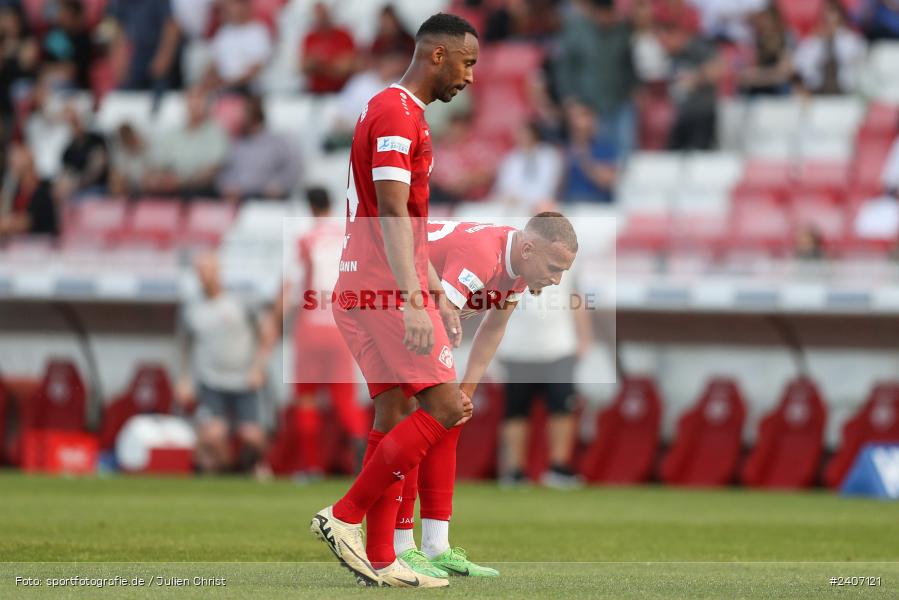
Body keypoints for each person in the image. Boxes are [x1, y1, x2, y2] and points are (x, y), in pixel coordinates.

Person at [309, 13, 479, 589]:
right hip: (382, 285)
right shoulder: (395, 113)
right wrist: (412, 299)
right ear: (438, 55)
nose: (471, 77)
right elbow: (388, 208)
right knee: (447, 406)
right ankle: (345, 516)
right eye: (468, 62)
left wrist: (432, 289)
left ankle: (381, 557)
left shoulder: (398, 112)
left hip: (375, 280)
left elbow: (407, 216)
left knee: (396, 414)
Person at [377, 213, 578, 578]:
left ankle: (436, 546)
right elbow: (439, 315)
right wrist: (447, 394)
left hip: (417, 311)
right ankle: (400, 544)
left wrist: (467, 389)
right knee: (415, 421)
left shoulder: (518, 265)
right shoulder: (483, 256)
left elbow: (493, 327)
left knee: (448, 418)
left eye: (563, 271)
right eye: (553, 267)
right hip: (390, 305)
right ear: (529, 248)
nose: (557, 279)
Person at [271, 187, 367, 479]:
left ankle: (312, 467)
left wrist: (273, 323)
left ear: (310, 207)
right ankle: (363, 449)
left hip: (311, 328)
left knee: (307, 398)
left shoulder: (304, 240)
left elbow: (290, 288)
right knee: (344, 399)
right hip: (340, 329)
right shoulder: (346, 238)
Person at [176, 252, 276, 478]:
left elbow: (268, 332)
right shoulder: (190, 307)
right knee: (212, 436)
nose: (204, 276)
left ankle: (252, 467)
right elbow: (183, 345)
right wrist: (183, 377)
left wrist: (258, 367)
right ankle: (232, 472)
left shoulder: (240, 302)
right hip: (211, 381)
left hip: (244, 382)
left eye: (209, 270)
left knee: (253, 437)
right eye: (200, 272)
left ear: (219, 271)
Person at [496, 259, 593, 489]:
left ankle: (558, 468)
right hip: (518, 348)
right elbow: (496, 303)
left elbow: (576, 298)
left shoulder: (569, 260)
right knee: (515, 411)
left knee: (563, 408)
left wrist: (584, 337)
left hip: (558, 347)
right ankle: (514, 472)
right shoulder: (512, 260)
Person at [555, 0, 637, 158]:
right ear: (595, 13)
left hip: (620, 101)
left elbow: (629, 65)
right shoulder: (576, 31)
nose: (606, 19)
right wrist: (569, 96)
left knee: (625, 150)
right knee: (599, 152)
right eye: (602, 14)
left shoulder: (622, 31)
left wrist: (634, 87)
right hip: (590, 104)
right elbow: (565, 67)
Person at [658, 9, 723, 150]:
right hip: (681, 115)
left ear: (676, 35)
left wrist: (694, 79)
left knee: (699, 157)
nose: (663, 44)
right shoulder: (672, 56)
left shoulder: (696, 47)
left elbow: (719, 67)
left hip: (701, 114)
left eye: (665, 39)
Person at [145, 87, 228, 198]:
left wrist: (180, 182)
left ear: (207, 105)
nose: (194, 105)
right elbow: (158, 162)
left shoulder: (216, 133)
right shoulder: (173, 133)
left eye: (199, 100)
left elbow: (212, 171)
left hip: (199, 192)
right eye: (191, 99)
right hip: (169, 189)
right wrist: (159, 179)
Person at [216, 94, 300, 203]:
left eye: (244, 114)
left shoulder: (277, 141)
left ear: (255, 116)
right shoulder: (235, 142)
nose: (239, 118)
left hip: (267, 199)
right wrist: (227, 185)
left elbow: (295, 165)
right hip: (240, 198)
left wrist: (280, 184)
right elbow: (224, 171)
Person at [793, 0, 867, 95]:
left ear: (841, 15)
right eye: (824, 13)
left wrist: (837, 36)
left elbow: (860, 60)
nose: (828, 17)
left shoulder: (852, 40)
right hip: (817, 93)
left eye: (832, 12)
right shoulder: (812, 41)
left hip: (846, 93)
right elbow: (799, 65)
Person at [492, 121, 563, 213]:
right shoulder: (511, 158)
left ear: (534, 134)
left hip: (544, 206)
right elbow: (503, 186)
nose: (523, 137)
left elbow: (554, 182)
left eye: (526, 134)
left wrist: (538, 202)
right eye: (520, 134)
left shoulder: (549, 154)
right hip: (516, 207)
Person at [203, 0, 272, 93]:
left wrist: (230, 83)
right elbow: (215, 63)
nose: (230, 10)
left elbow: (256, 68)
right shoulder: (224, 32)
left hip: (248, 89)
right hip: (223, 87)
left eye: (234, 5)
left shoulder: (258, 31)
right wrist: (207, 81)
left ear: (245, 6)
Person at [562, 101, 617, 203]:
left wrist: (584, 156)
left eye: (582, 116)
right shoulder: (565, 148)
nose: (576, 122)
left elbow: (607, 182)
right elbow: (559, 189)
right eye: (572, 117)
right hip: (571, 204)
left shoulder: (605, 146)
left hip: (597, 205)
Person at [0, 142, 57, 236]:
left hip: (41, 245)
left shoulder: (42, 192)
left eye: (16, 159)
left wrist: (7, 223)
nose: (12, 163)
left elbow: (26, 222)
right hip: (18, 245)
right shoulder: (15, 190)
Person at [737, 5, 795, 96]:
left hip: (778, 90)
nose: (762, 24)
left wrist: (758, 76)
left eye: (766, 20)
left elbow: (784, 72)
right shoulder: (755, 39)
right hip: (758, 90)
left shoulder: (785, 38)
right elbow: (745, 72)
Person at [300, 2, 356, 94]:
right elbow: (304, 66)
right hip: (316, 92)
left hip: (341, 92)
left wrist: (318, 65)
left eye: (323, 14)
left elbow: (344, 68)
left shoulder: (344, 36)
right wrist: (331, 65)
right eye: (318, 15)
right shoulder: (310, 37)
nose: (321, 18)